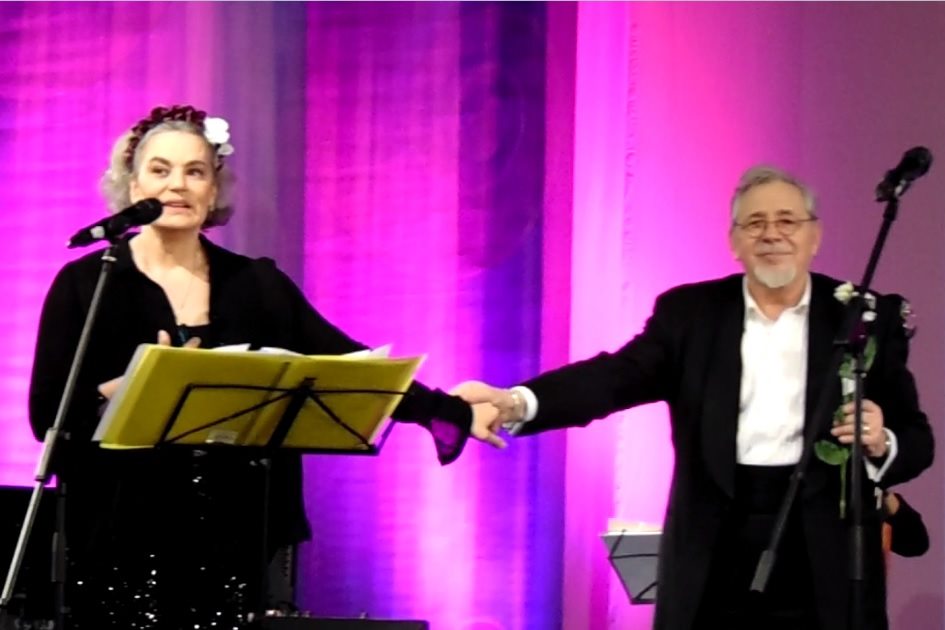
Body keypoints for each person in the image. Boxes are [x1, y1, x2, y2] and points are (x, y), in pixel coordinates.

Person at [28, 104, 478, 629]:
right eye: (160, 169)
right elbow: (46, 416)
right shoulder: (88, 282)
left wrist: (445, 409)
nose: (177, 185)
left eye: (195, 171)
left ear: (214, 191)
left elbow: (351, 363)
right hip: (120, 535)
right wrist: (123, 391)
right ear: (132, 186)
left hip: (238, 534)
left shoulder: (257, 284)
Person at [455, 166, 934, 630]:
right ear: (734, 242)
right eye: (755, 223)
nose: (772, 234)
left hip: (824, 554)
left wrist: (882, 441)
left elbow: (917, 441)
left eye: (788, 221)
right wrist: (517, 402)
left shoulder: (864, 316)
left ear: (815, 236)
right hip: (714, 548)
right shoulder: (690, 315)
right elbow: (613, 378)